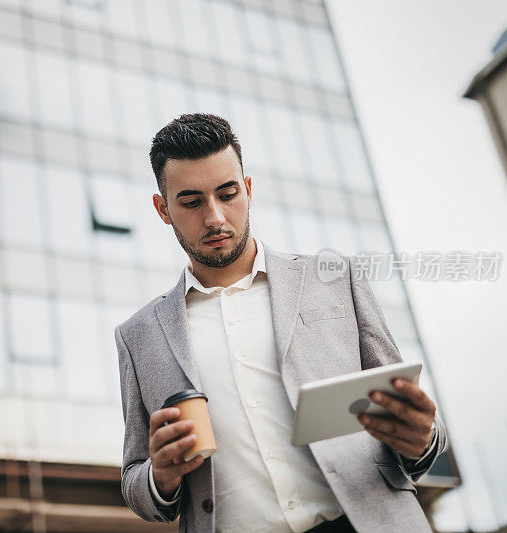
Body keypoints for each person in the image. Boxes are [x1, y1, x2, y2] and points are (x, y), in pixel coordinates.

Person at [114, 114, 447, 532]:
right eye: (192, 201)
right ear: (163, 209)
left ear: (248, 190)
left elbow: (412, 416)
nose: (215, 217)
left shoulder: (334, 280)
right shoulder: (138, 336)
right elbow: (134, 479)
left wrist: (422, 439)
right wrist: (159, 477)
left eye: (228, 193)